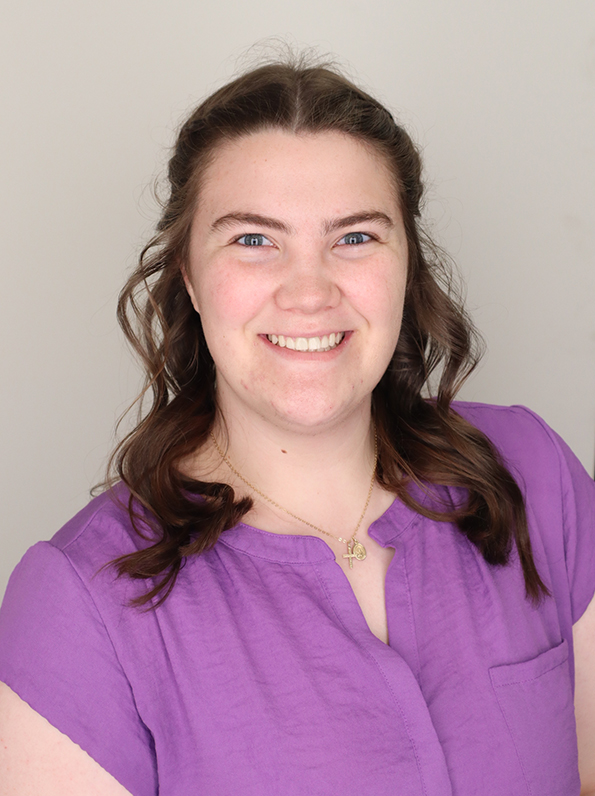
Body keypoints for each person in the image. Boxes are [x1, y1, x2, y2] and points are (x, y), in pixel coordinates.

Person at [1, 55, 594, 796]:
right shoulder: (80, 603)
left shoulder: (534, 473)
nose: (308, 292)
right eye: (253, 239)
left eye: (354, 238)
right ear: (187, 272)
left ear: (407, 263)